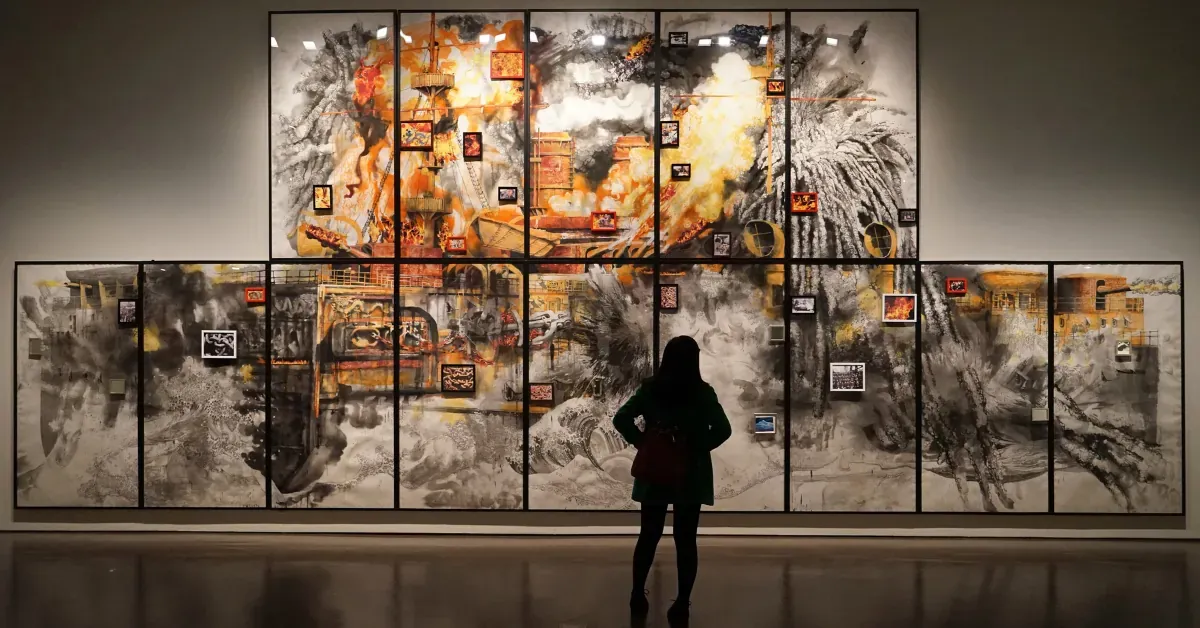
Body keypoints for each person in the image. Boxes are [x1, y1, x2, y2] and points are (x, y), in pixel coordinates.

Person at [612, 335, 732, 625]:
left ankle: (637, 593)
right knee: (686, 540)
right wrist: (694, 446)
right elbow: (723, 430)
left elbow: (621, 419)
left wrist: (645, 443)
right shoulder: (702, 393)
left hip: (655, 471)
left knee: (648, 535)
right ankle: (681, 602)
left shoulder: (651, 390)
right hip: (690, 474)